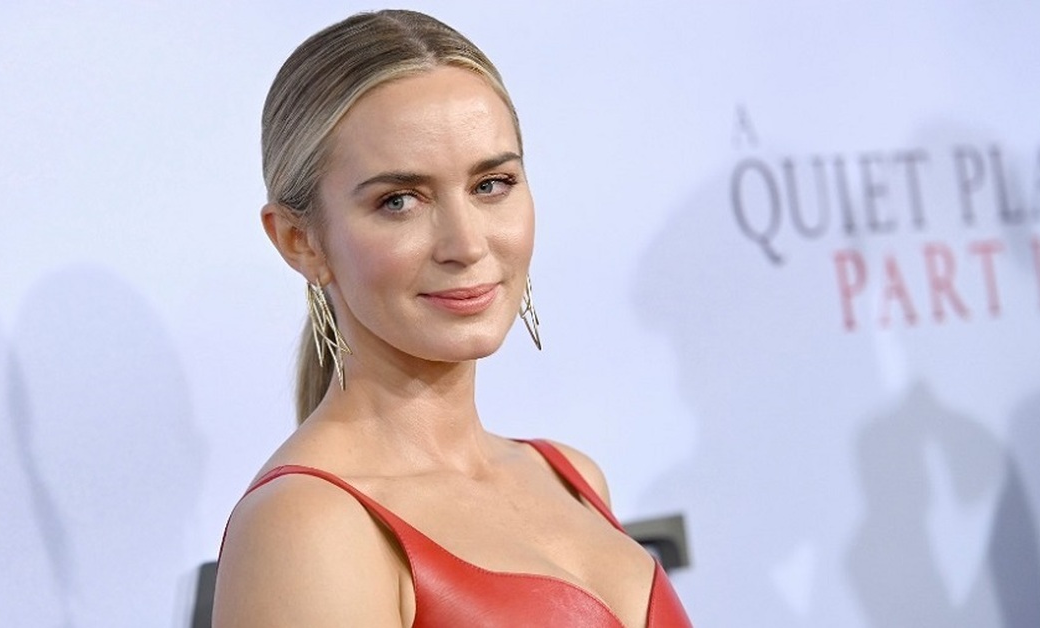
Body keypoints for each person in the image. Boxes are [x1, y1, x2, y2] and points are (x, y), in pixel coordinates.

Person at [213, 9, 691, 627]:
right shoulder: (308, 525)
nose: (466, 244)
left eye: (491, 184)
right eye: (399, 201)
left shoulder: (571, 477)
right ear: (299, 240)